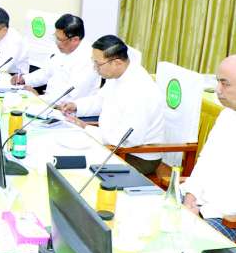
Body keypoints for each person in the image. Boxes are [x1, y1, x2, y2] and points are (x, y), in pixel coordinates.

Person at [59, 35, 165, 175]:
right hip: (112, 143)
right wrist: (76, 105)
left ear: (117, 62)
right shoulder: (117, 75)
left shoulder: (140, 89)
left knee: (75, 164)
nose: (95, 68)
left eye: (98, 64)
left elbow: (128, 139)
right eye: (94, 62)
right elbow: (101, 100)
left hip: (135, 156)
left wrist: (87, 128)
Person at [181, 53, 236, 241]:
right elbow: (206, 161)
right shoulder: (227, 114)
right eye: (218, 82)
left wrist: (200, 213)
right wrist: (191, 197)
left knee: (181, 242)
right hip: (200, 205)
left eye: (225, 84)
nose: (218, 90)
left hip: (228, 218)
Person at [11, 14, 100, 102]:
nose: (57, 43)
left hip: (65, 108)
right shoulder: (63, 48)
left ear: (75, 40)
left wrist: (38, 98)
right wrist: (24, 79)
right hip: (49, 102)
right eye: (56, 38)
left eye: (60, 39)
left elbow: (69, 98)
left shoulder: (88, 60)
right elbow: (47, 72)